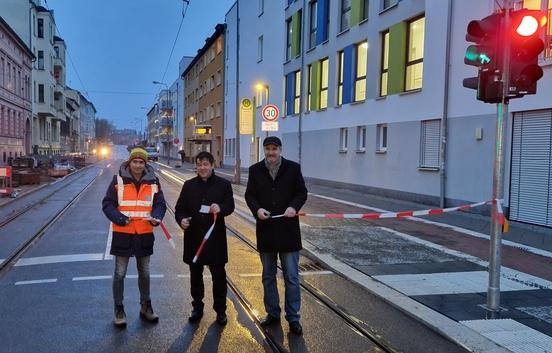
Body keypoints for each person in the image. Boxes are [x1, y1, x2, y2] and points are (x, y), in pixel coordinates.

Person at [244, 136, 308, 335]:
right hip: (266, 230)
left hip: (288, 231)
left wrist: (293, 207)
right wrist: (257, 210)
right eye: (268, 149)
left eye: (274, 149)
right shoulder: (255, 170)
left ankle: (293, 318)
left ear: (280, 149)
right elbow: (250, 195)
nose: (271, 152)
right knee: (268, 276)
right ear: (264, 150)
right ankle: (272, 313)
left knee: (291, 276)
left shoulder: (293, 168)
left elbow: (301, 193)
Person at [102, 147, 167, 327]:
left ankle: (146, 306)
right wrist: (120, 218)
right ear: (129, 162)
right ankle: (119, 308)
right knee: (119, 274)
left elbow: (160, 204)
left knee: (144, 273)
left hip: (144, 233)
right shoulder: (118, 180)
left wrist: (157, 217)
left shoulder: (154, 181)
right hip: (123, 233)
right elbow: (107, 204)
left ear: (145, 164)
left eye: (141, 162)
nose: (138, 165)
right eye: (135, 161)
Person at [174, 151, 235, 325]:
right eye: (199, 164)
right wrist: (181, 220)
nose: (202, 168)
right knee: (195, 276)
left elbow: (230, 206)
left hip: (215, 239)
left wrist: (220, 208)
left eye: (205, 164)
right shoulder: (189, 185)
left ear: (212, 165)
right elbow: (180, 208)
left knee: (218, 276)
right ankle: (197, 308)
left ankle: (220, 310)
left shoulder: (223, 185)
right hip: (194, 237)